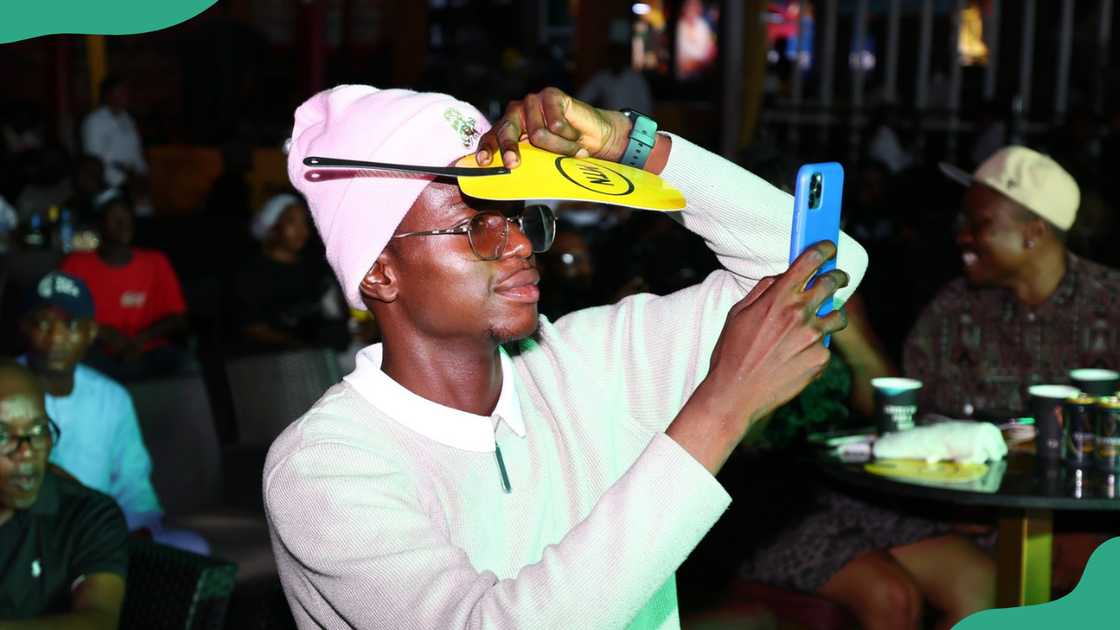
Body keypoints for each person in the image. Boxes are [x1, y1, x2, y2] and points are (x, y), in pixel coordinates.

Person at [263, 84, 867, 629]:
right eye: (477, 226)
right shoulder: (323, 466)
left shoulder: (581, 363)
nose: (523, 243)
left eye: (517, 214)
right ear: (380, 273)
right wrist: (720, 410)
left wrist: (628, 144)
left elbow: (825, 262)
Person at [905, 146, 1120, 416]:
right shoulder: (953, 310)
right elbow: (901, 411)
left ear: (1033, 233)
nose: (963, 237)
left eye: (979, 224)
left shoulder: (1111, 307)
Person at [20, 271, 208, 555]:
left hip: (104, 533)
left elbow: (134, 484)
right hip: (32, 536)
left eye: (69, 324)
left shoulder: (111, 397)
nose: (56, 336)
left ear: (91, 332)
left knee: (194, 549)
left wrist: (137, 530)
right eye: (43, 323)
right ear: (24, 327)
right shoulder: (7, 388)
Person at [0, 358, 128, 627]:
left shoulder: (85, 514)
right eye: (2, 435)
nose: (25, 451)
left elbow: (99, 621)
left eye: (38, 430)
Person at [60, 191, 189, 380]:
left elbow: (178, 317)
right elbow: (61, 315)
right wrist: (102, 334)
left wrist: (139, 341)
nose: (123, 225)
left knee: (176, 361)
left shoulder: (155, 262)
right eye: (114, 219)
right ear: (100, 226)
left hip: (147, 349)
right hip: (97, 352)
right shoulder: (76, 264)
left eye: (126, 218)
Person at [230, 193, 348, 354]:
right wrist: (300, 345)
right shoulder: (252, 274)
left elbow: (333, 311)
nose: (302, 230)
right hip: (275, 361)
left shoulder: (316, 268)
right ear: (273, 226)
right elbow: (253, 328)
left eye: (305, 222)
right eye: (292, 222)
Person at [81, 76, 147, 191]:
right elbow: (94, 161)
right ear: (108, 95)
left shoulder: (128, 119)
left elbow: (136, 151)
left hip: (135, 183)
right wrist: (124, 177)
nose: (126, 95)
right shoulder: (95, 121)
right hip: (110, 185)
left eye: (127, 91)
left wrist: (142, 172)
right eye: (121, 91)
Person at [576, 42, 654, 115]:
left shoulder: (636, 78)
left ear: (624, 58)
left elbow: (645, 105)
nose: (616, 60)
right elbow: (583, 97)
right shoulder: (602, 78)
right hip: (610, 123)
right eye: (613, 56)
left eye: (618, 56)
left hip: (633, 123)